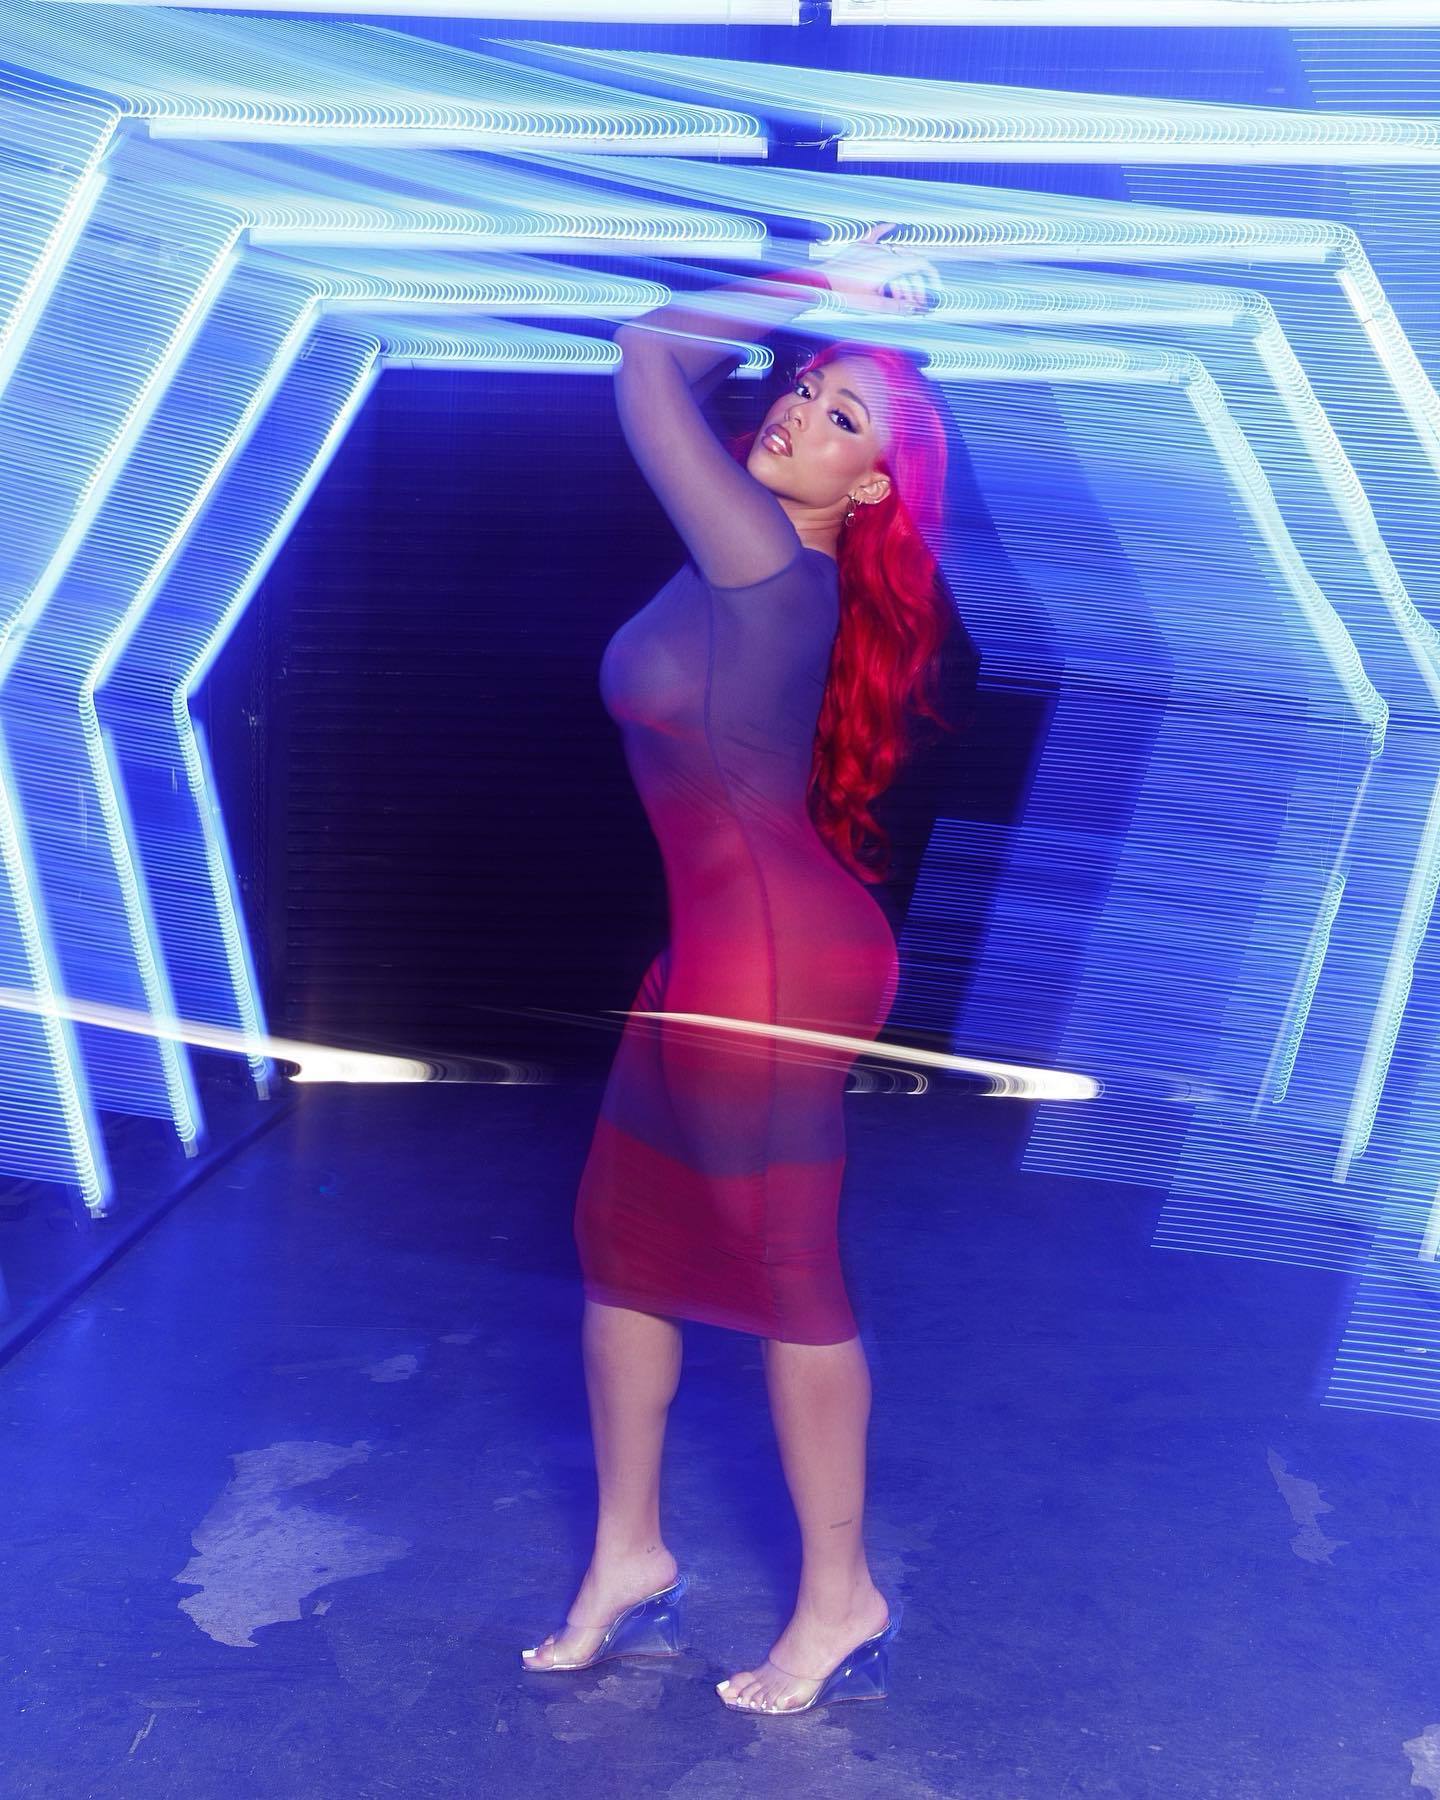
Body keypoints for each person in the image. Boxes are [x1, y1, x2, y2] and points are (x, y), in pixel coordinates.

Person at [521, 226, 953, 1715]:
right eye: (804, 388)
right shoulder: (741, 548)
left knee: (787, 1279)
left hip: (770, 959)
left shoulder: (768, 565)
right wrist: (811, 310)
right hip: (716, 947)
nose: (799, 417)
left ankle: (842, 1597)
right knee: (622, 1247)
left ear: (871, 489)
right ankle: (626, 1554)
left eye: (845, 420)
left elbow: (651, 359)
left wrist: (817, 281)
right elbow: (686, 368)